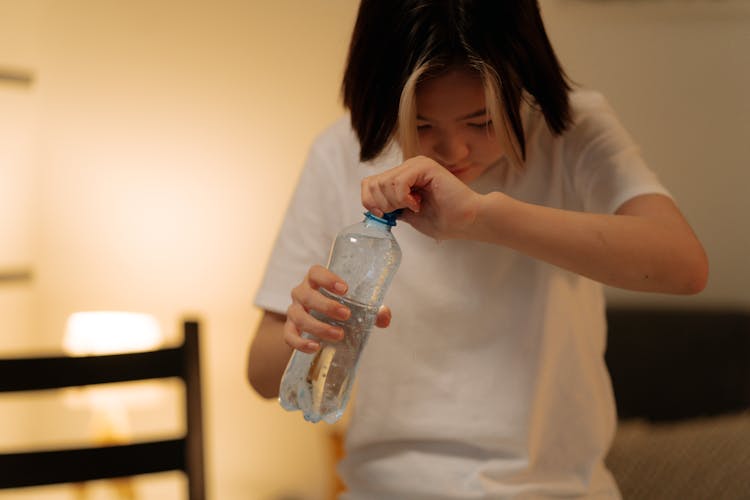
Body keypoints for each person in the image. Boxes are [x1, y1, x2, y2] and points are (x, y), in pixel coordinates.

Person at [247, 0, 708, 498]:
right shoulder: (342, 151)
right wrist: (302, 328)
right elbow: (261, 376)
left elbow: (683, 266)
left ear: (523, 82)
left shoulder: (571, 130)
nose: (453, 151)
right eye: (421, 126)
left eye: (482, 121)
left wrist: (483, 217)